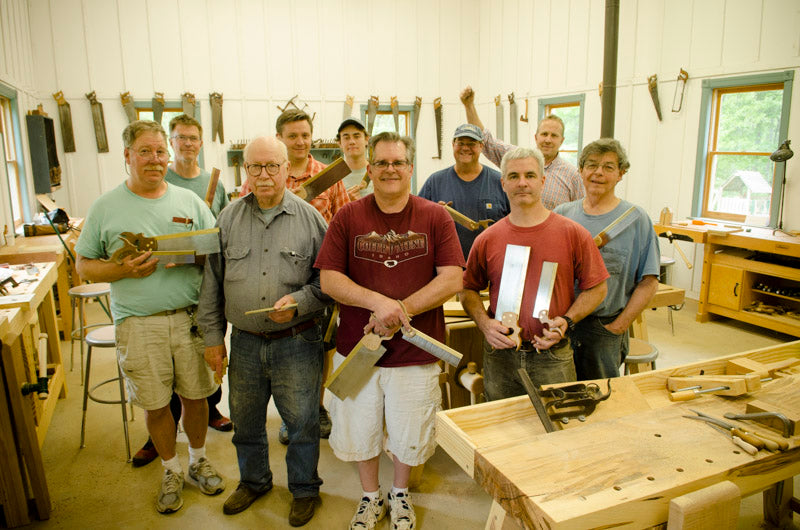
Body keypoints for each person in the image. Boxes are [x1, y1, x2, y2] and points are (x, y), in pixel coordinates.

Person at [74, 120, 224, 514]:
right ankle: (171, 469)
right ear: (127, 156)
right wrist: (122, 270)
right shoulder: (105, 207)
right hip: (138, 324)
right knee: (156, 405)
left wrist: (187, 253)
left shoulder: (189, 202)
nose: (155, 159)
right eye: (145, 151)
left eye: (160, 151)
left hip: (189, 319)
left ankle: (197, 460)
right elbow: (85, 266)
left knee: (196, 397)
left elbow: (213, 250)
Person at [315, 132, 464, 530]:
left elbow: (452, 278)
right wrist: (376, 304)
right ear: (370, 167)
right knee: (359, 428)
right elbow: (329, 279)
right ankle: (369, 496)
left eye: (397, 162)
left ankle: (399, 494)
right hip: (359, 348)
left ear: (411, 168)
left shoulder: (435, 216)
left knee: (409, 430)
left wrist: (400, 310)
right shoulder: (348, 217)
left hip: (416, 352)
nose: (390, 169)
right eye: (381, 163)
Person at [197, 136, 329, 526]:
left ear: (288, 168)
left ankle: (304, 488)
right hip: (245, 342)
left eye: (272, 166)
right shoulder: (227, 218)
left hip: (297, 341)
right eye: (255, 167)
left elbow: (327, 283)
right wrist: (211, 341)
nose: (264, 175)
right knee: (247, 419)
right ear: (245, 171)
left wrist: (300, 304)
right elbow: (211, 284)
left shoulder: (311, 220)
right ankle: (254, 481)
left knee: (303, 422)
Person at [460, 146, 608, 400]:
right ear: (503, 183)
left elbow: (598, 288)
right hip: (501, 355)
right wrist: (484, 324)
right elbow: (467, 290)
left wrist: (567, 321)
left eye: (530, 175)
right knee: (501, 428)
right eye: (514, 177)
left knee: (558, 425)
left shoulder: (573, 234)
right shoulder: (488, 239)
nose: (522, 183)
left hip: (552, 355)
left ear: (542, 181)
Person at [132, 114, 232, 468]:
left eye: (193, 138)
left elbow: (217, 233)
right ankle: (159, 437)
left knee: (202, 369)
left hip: (201, 286)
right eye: (180, 138)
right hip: (158, 293)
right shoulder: (161, 177)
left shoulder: (213, 183)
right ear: (171, 144)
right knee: (160, 382)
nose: (187, 144)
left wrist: (197, 255)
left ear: (201, 143)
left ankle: (211, 413)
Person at [554, 138, 660, 380]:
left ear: (621, 174)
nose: (598, 173)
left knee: (599, 399)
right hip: (560, 326)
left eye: (608, 167)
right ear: (580, 170)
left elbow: (649, 282)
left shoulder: (636, 220)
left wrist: (618, 327)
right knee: (558, 394)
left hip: (603, 329)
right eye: (591, 165)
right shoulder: (562, 215)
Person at [276, 108, 348, 443]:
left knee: (320, 347)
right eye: (293, 135)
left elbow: (344, 222)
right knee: (283, 349)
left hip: (320, 277)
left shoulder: (328, 176)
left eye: (305, 135)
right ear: (281, 138)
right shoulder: (270, 174)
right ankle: (289, 414)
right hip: (280, 276)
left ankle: (317, 407)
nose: (300, 141)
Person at [460, 86, 584, 210]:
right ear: (536, 137)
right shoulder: (516, 160)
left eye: (554, 136)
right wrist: (469, 106)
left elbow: (580, 211)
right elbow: (486, 140)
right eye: (544, 134)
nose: (548, 140)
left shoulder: (572, 176)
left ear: (562, 140)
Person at [419, 124, 509, 259]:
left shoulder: (499, 182)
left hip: (491, 266)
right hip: (447, 266)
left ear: (481, 146)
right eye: (460, 143)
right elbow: (418, 224)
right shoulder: (435, 182)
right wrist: (435, 215)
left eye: (472, 143)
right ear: (453, 144)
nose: (465, 148)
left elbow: (516, 224)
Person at [337, 117, 372, 200]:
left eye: (356, 136)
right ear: (339, 143)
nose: (352, 142)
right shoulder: (333, 177)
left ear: (366, 139)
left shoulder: (377, 172)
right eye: (346, 137)